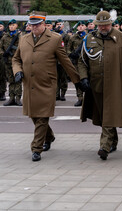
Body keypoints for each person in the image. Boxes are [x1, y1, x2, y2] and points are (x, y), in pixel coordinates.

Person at [12, 12, 81, 161]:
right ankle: (48, 137)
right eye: (32, 25)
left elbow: (65, 61)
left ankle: (36, 149)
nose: (34, 27)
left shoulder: (55, 39)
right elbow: (16, 59)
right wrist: (17, 71)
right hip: (29, 85)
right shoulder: (23, 39)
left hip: (46, 85)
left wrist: (77, 81)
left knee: (42, 116)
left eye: (37, 25)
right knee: (34, 116)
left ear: (44, 24)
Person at [78, 10, 122, 160]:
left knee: (109, 114)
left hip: (115, 85)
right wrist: (83, 77)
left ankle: (104, 146)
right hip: (96, 85)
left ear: (111, 24)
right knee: (103, 115)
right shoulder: (90, 39)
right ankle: (113, 140)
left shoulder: (121, 38)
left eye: (106, 25)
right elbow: (82, 60)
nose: (103, 28)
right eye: (100, 26)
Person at [0, 19, 23, 106]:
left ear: (16, 26)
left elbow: (23, 47)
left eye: (13, 25)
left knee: (18, 80)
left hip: (17, 62)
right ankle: (11, 98)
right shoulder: (5, 37)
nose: (11, 27)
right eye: (10, 25)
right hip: (7, 61)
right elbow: (0, 47)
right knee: (10, 80)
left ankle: (18, 98)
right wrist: (4, 54)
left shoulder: (20, 36)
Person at [67, 21, 87, 106]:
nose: (81, 27)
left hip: (86, 62)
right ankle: (80, 98)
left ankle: (88, 98)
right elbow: (68, 49)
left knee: (86, 80)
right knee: (77, 80)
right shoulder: (73, 38)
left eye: (82, 25)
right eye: (79, 26)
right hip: (76, 62)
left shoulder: (88, 37)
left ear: (85, 27)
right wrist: (71, 54)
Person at [54, 19, 70, 101]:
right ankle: (56, 94)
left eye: (60, 24)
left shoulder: (66, 36)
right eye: (57, 24)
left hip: (63, 60)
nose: (58, 26)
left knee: (63, 78)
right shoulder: (52, 35)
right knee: (55, 78)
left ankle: (63, 94)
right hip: (54, 60)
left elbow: (68, 47)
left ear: (63, 26)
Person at [0, 21, 6, 101]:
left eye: (0, 26)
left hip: (2, 58)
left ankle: (2, 93)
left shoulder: (5, 36)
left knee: (2, 76)